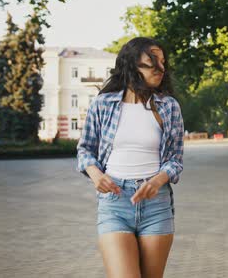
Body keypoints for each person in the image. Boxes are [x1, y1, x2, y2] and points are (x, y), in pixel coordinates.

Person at [77, 37, 184, 278]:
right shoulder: (104, 104)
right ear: (131, 66)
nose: (161, 69)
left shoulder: (168, 107)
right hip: (114, 203)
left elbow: (176, 159)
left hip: (156, 205)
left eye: (163, 62)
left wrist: (157, 181)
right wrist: (96, 174)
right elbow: (85, 149)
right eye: (151, 63)